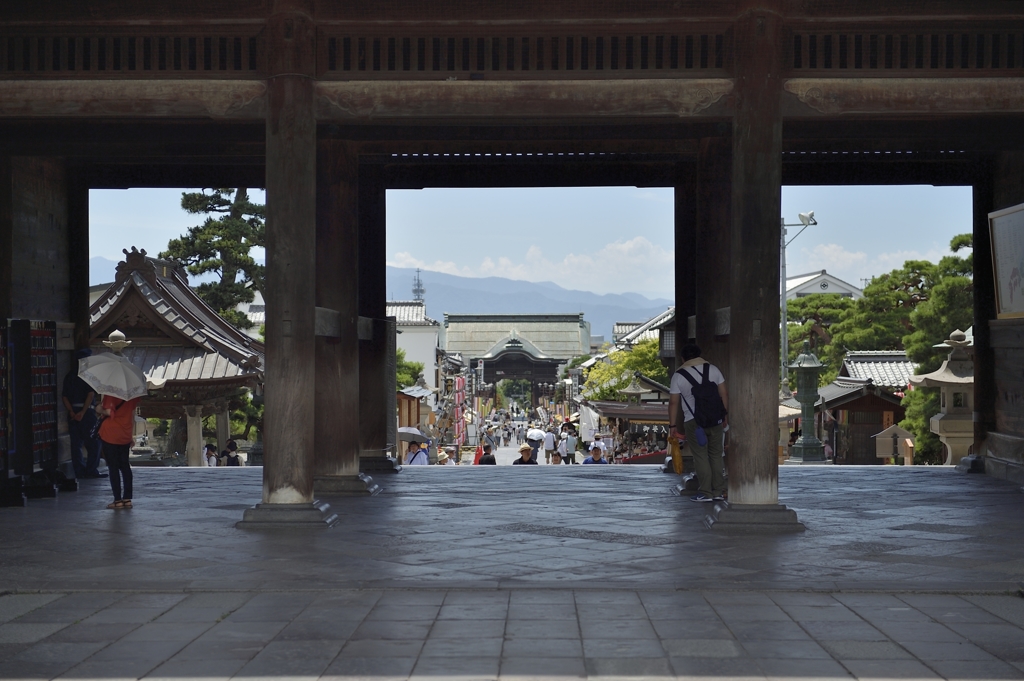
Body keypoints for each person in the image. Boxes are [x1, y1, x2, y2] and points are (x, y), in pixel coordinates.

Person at [669, 343, 728, 503]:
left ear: (683, 358)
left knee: (700, 456)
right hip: (715, 420)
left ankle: (706, 492)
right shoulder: (713, 370)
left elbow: (674, 402)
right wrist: (724, 416)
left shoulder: (679, 375)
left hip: (694, 422)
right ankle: (718, 491)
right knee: (716, 455)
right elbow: (723, 393)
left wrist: (672, 425)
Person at [61, 349, 105, 479]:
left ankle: (79, 470)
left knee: (76, 444)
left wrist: (72, 412)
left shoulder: (69, 375)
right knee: (94, 442)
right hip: (87, 412)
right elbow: (90, 395)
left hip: (73, 412)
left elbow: (64, 397)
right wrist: (83, 412)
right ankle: (91, 470)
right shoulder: (88, 375)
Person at [96, 393, 142, 509]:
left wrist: (98, 408)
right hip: (125, 433)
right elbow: (132, 415)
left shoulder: (111, 393)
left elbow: (109, 412)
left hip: (110, 433)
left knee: (113, 467)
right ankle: (127, 498)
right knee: (125, 466)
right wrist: (130, 435)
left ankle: (117, 500)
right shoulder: (132, 395)